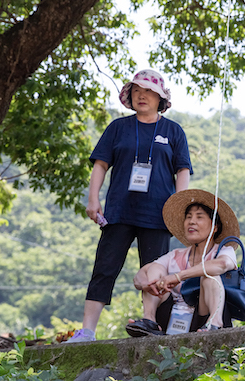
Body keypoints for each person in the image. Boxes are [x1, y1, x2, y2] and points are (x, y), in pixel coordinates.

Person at [66, 70, 192, 343]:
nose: (141, 95)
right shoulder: (117, 127)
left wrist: (180, 208)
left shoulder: (173, 131)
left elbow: (183, 170)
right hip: (119, 211)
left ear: (160, 97)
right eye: (136, 91)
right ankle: (87, 332)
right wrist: (93, 198)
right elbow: (100, 164)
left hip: (159, 216)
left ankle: (149, 322)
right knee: (104, 268)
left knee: (155, 271)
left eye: (147, 91)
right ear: (129, 96)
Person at [125, 189, 239, 336]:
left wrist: (178, 276)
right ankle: (150, 321)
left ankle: (215, 324)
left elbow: (222, 264)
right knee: (154, 269)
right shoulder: (176, 255)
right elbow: (142, 273)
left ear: (214, 227)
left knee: (210, 276)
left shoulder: (224, 250)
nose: (192, 221)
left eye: (199, 217)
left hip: (202, 314)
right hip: (171, 315)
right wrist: (145, 284)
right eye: (189, 217)